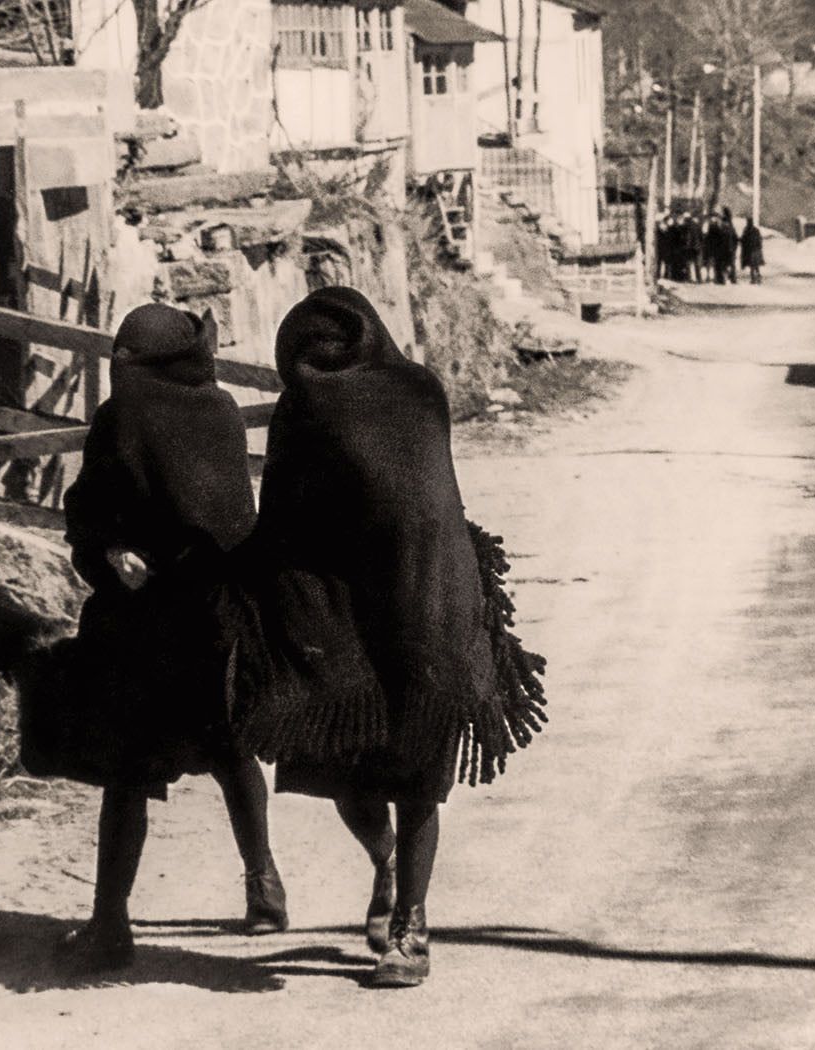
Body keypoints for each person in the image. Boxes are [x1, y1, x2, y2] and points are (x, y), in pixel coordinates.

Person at [227, 287, 548, 989]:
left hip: (421, 597)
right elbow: (285, 516)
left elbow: (419, 496)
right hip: (352, 604)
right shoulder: (353, 399)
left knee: (418, 778)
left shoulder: (404, 394)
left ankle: (412, 927)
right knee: (347, 771)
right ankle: (388, 864)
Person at [44, 303, 287, 973]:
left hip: (144, 622)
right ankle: (263, 889)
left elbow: (89, 513)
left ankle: (110, 926)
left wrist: (109, 552)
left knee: (127, 775)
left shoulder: (121, 416)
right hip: (217, 617)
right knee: (233, 751)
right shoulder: (220, 409)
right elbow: (232, 516)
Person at [740, 217, 765, 285]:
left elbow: (743, 240)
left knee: (752, 265)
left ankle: (753, 278)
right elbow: (760, 239)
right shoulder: (756, 230)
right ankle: (758, 276)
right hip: (756, 250)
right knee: (756, 265)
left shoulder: (746, 230)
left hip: (750, 251)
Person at [719, 207, 740, 285]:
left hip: (724, 249)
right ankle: (733, 279)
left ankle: (724, 278)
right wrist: (734, 247)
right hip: (731, 249)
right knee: (732, 264)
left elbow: (720, 239)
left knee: (724, 264)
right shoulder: (731, 227)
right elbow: (736, 238)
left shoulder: (723, 228)